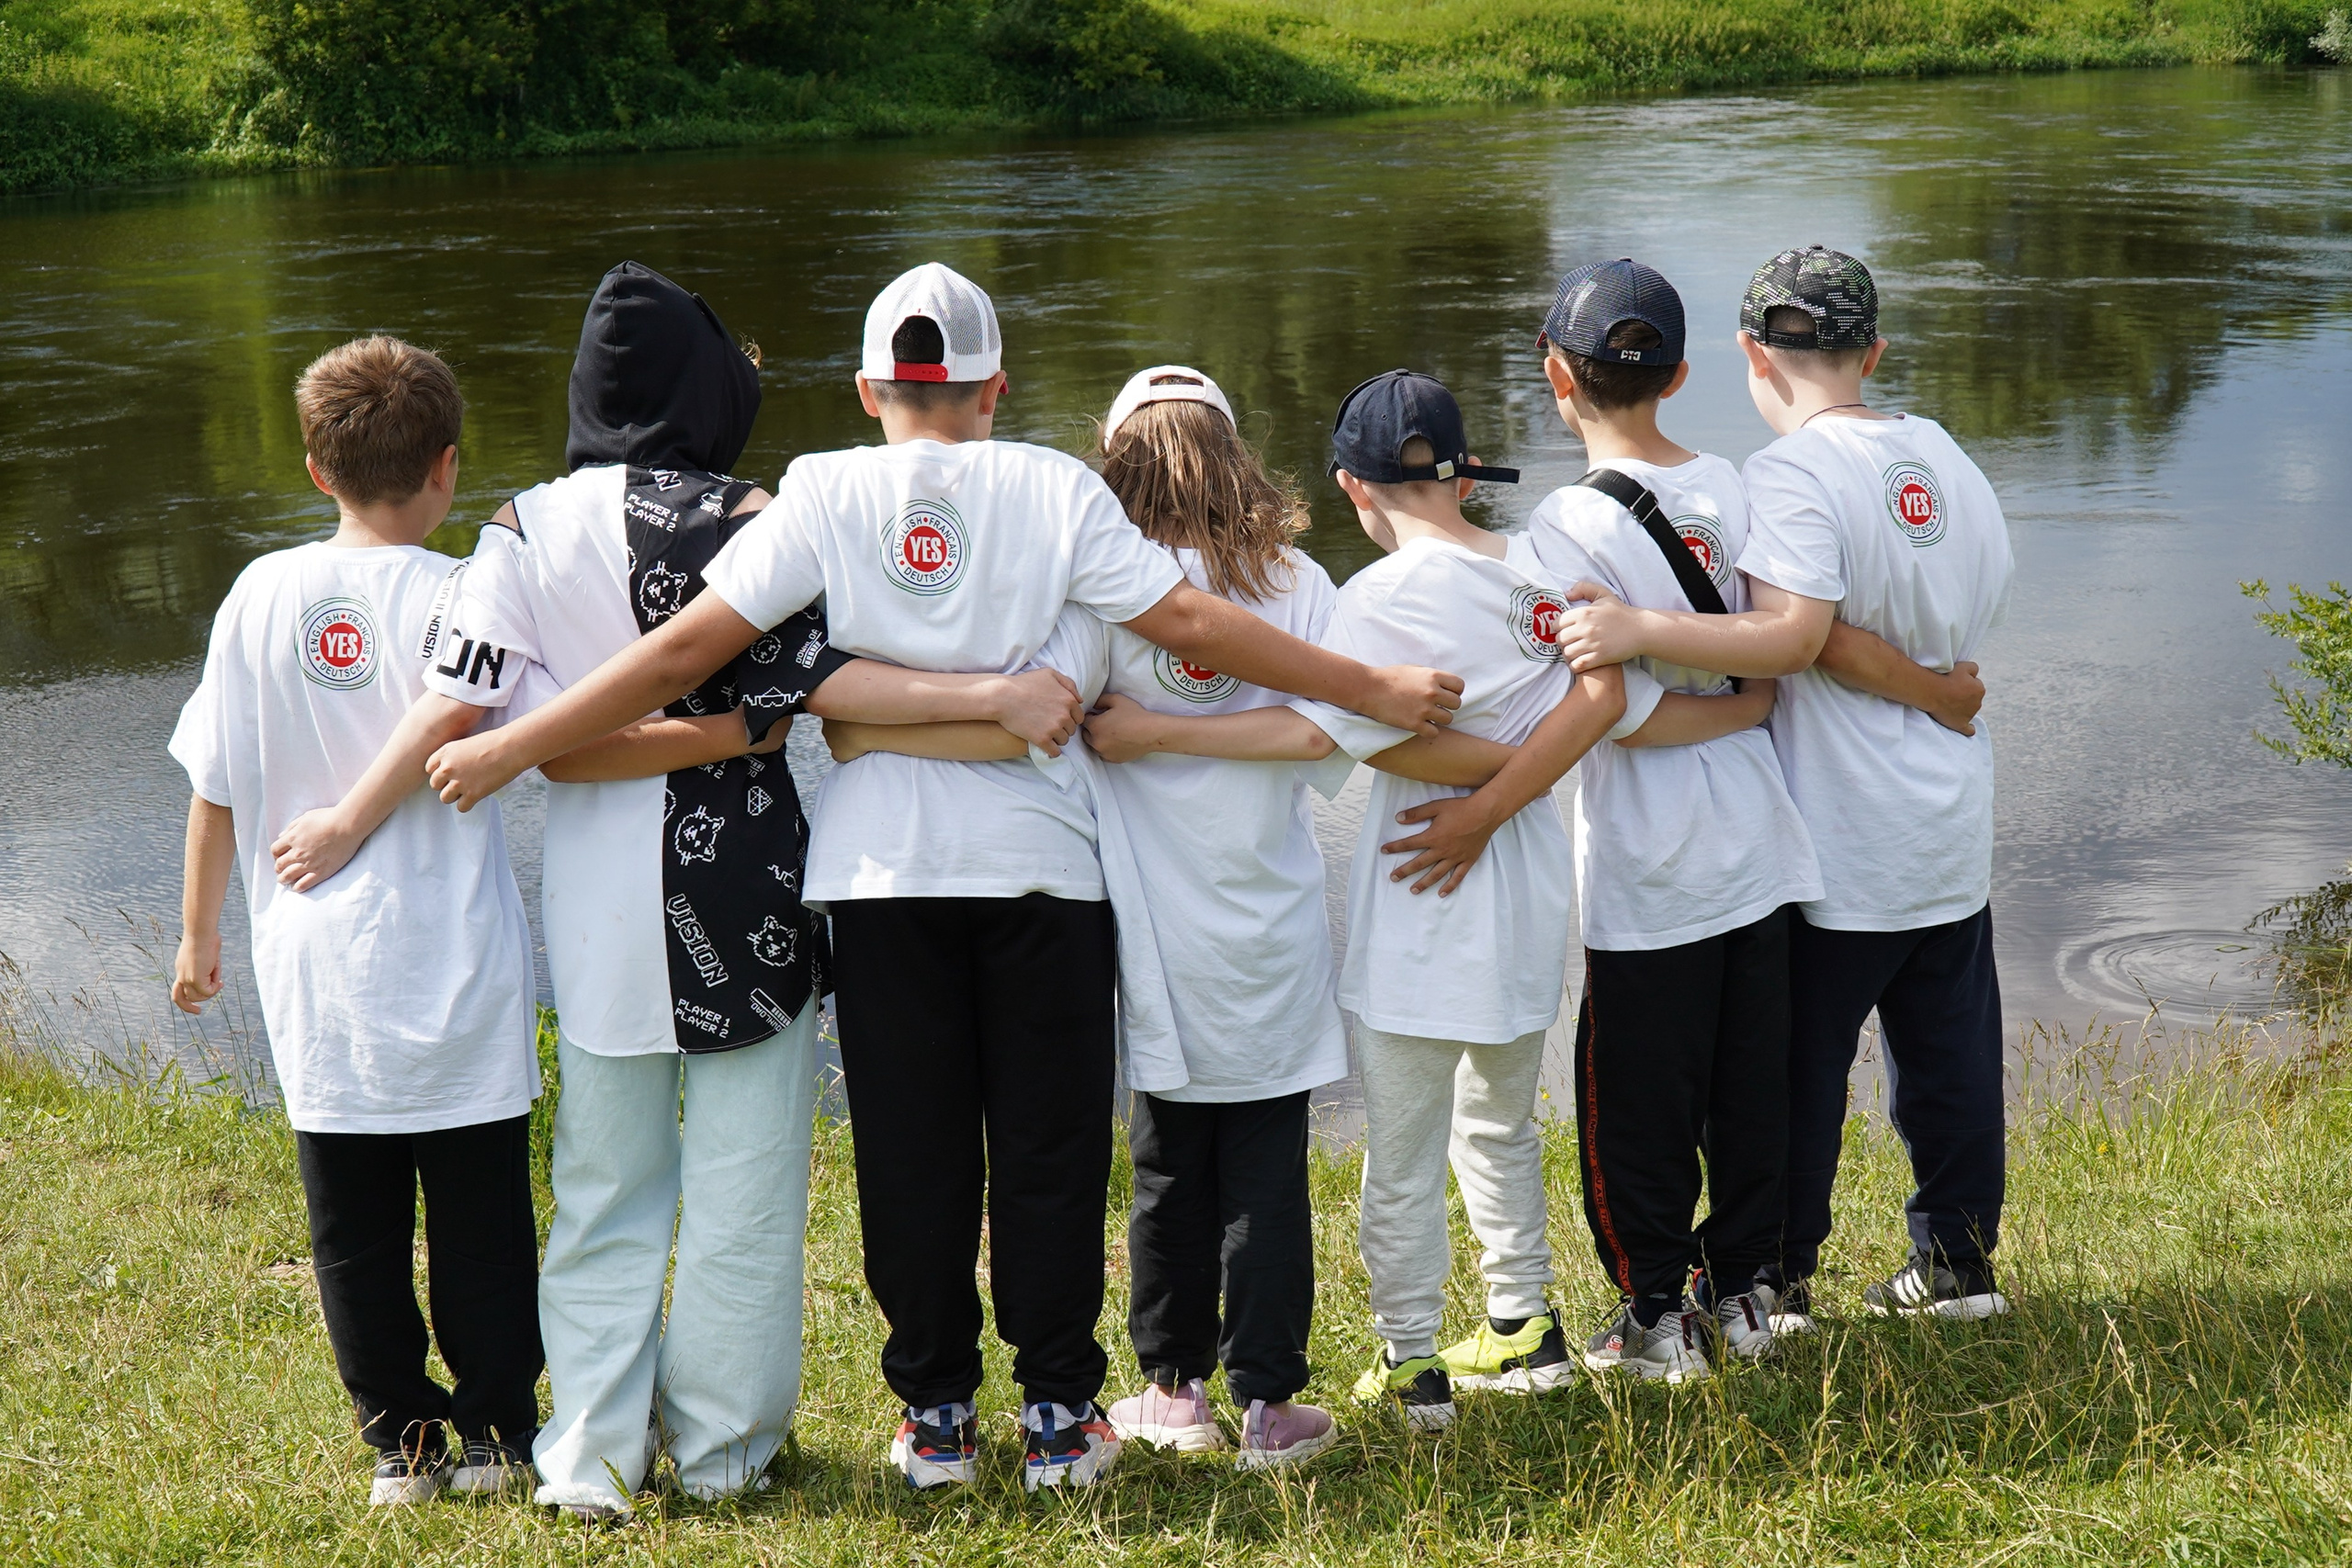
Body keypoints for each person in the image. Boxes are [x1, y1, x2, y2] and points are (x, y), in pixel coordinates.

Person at [413, 265, 1466, 1492]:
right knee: (1049, 1153)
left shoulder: (820, 488)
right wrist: (1371, 689)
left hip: (876, 877)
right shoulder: (1055, 485)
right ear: (995, 387)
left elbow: (687, 649)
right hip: (1043, 877)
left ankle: (937, 1419)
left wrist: (510, 742)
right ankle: (1063, 1411)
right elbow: (1192, 624)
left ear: (868, 389)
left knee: (911, 1157)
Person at [267, 264, 1079, 1519]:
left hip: (597, 894)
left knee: (605, 1176)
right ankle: (725, 1445)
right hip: (744, 883)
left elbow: (470, 701)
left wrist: (357, 808)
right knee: (746, 1184)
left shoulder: (522, 525)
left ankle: (588, 1450)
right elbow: (825, 683)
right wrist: (958, 700)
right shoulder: (758, 510)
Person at [831, 365, 1353, 1470]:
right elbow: (1324, 732)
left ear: (1113, 462)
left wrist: (866, 727)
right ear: (1237, 453)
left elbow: (1047, 717)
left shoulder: (1100, 593)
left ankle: (1170, 1390)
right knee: (1266, 1157)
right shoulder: (1299, 582)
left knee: (1164, 1160)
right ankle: (1268, 1402)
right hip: (1269, 925)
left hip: (1146, 934)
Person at [1552, 245, 2014, 1324]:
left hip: (1842, 822)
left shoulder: (1792, 472)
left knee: (1797, 1075)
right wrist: (1944, 694)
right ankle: (1956, 1263)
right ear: (1874, 349)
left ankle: (1779, 1278)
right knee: (1949, 1060)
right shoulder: (1944, 452)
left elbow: (1804, 639)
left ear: (1752, 355)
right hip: (1950, 813)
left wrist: (1639, 628)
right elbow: (1966, 604)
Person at [169, 336, 543, 1506]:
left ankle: (402, 1447)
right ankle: (492, 1435)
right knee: (482, 1221)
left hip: (315, 969)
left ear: (317, 471)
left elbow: (216, 784)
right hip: (459, 960)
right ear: (446, 468)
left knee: (353, 1230)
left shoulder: (258, 594)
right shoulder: (463, 595)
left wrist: (197, 935)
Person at [1286, 370, 1625, 1429]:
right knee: (1502, 1127)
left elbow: (1352, 734)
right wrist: (1508, 781)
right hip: (1526, 906)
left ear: (1354, 488)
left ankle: (1411, 1358)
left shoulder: (1374, 599)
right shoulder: (1536, 580)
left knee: (1400, 1152)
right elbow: (1595, 707)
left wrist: (1469, 786)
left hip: (1418, 902)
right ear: (1463, 472)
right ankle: (1525, 1325)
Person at [1516, 259, 1821, 1383]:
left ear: (1558, 377)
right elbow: (1779, 657)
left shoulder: (1556, 525)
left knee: (1637, 1102)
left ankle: (1654, 1313)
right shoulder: (1742, 487)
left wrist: (1704, 697)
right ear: (1681, 376)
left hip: (1651, 866)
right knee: (1753, 1086)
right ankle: (1744, 1290)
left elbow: (1618, 720)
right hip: (1765, 837)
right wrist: (1745, 703)